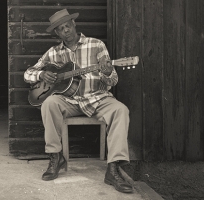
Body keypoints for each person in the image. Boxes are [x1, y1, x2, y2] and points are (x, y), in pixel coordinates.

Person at [23, 9, 133, 193]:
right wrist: (42, 74)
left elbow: (113, 81)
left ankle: (113, 168)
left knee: (120, 110)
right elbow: (28, 73)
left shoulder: (96, 45)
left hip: (97, 98)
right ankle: (56, 157)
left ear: (74, 25)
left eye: (68, 25)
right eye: (61, 29)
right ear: (57, 33)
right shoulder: (53, 53)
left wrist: (106, 71)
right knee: (49, 103)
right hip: (69, 101)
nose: (66, 30)